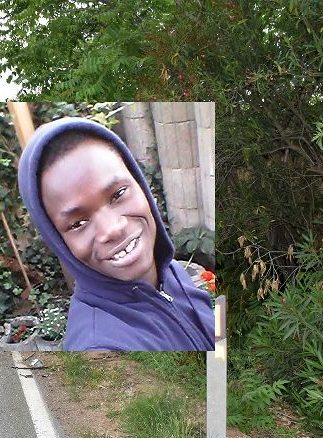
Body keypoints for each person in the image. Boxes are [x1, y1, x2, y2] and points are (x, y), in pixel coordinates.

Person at [18, 117, 214, 351]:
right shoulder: (100, 351)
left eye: (118, 194)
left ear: (140, 185)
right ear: (59, 242)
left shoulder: (171, 273)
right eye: (78, 223)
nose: (112, 229)